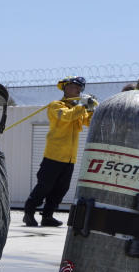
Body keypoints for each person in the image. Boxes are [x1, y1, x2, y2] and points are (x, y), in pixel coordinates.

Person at [23, 76, 95, 227]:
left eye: (78, 88)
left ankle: (47, 216)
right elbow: (67, 116)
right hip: (54, 155)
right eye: (73, 87)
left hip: (69, 158)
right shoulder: (56, 105)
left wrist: (92, 107)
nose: (76, 90)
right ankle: (29, 212)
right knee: (44, 186)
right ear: (65, 88)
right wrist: (83, 106)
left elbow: (90, 121)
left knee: (61, 188)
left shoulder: (78, 108)